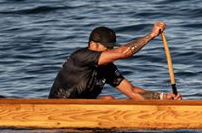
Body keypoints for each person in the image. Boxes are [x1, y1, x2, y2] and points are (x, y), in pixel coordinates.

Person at [48, 22, 182, 101]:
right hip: (59, 107)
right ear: (93, 45)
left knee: (108, 100)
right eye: (107, 47)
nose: (110, 51)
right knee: (108, 100)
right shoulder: (81, 57)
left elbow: (132, 91)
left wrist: (163, 97)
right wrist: (151, 35)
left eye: (112, 47)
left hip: (81, 111)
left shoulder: (106, 67)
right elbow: (124, 52)